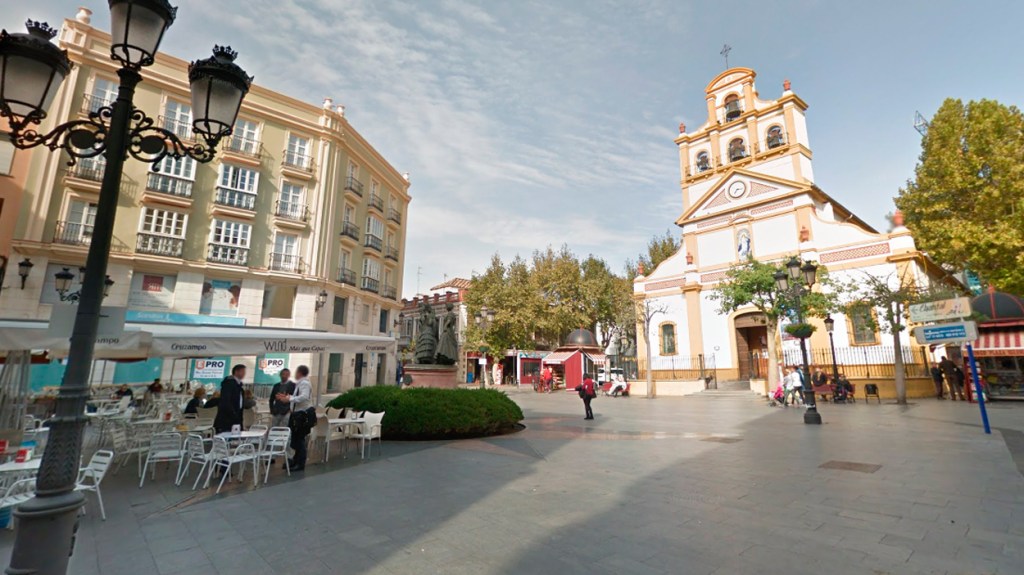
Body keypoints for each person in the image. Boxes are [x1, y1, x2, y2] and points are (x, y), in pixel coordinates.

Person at [277, 365, 313, 471]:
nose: (295, 374)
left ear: (300, 373)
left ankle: (300, 463)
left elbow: (304, 397)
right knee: (295, 438)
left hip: (301, 414)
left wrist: (289, 399)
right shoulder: (300, 383)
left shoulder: (305, 383)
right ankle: (295, 460)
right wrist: (288, 398)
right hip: (297, 414)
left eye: (296, 372)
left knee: (299, 439)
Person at [214, 364, 246, 433]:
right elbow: (226, 401)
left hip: (237, 414)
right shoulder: (229, 383)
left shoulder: (239, 385)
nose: (244, 374)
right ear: (236, 372)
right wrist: (233, 413)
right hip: (228, 416)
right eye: (242, 371)